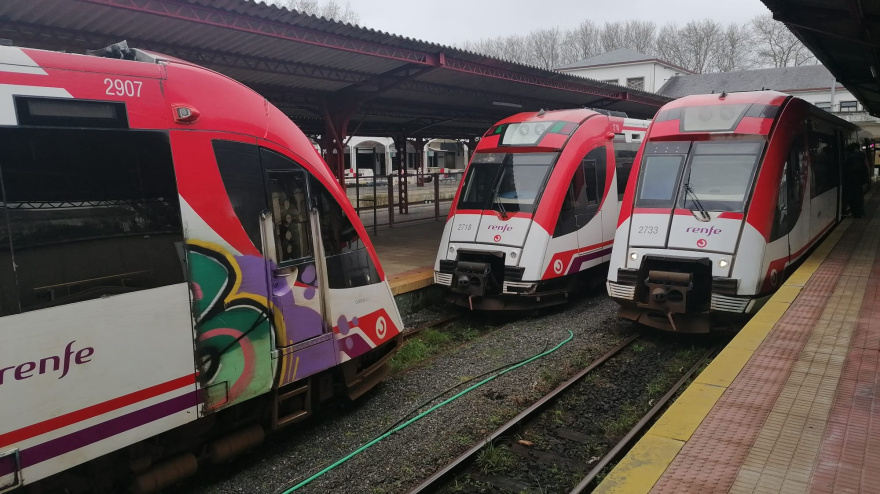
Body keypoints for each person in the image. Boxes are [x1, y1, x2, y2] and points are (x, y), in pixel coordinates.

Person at [842, 143, 869, 218]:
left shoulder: (852, 160)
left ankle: (857, 214)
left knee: (853, 199)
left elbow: (849, 172)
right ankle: (859, 213)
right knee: (858, 199)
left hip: (852, 183)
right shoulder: (860, 158)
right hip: (857, 183)